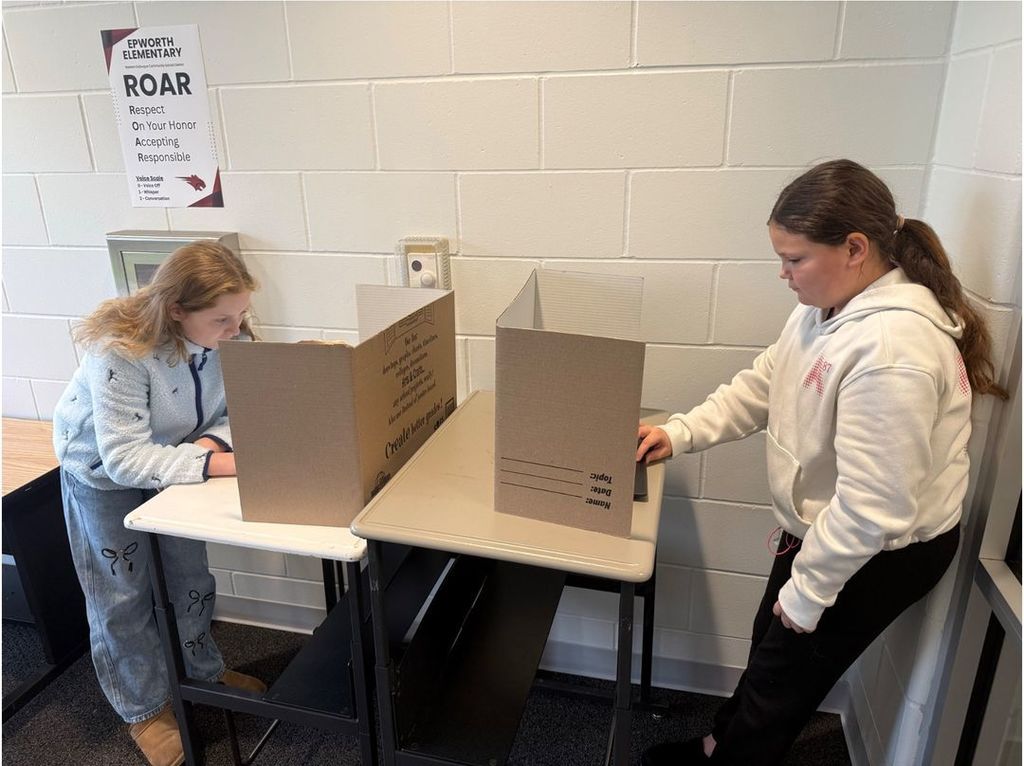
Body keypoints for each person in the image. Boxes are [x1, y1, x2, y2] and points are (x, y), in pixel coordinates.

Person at [635, 159, 1008, 766]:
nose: (783, 274)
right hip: (826, 528)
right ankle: (716, 745)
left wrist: (809, 591)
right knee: (768, 651)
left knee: (783, 682)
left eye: (795, 258)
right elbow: (764, 382)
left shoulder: (893, 352)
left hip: (879, 550)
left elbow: (875, 506)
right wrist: (679, 433)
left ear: (855, 248)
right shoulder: (825, 307)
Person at [53, 241, 264, 766]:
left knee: (189, 576)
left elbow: (246, 404)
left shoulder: (228, 336)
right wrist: (222, 463)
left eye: (241, 314)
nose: (236, 330)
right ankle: (143, 708)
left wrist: (210, 447)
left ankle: (202, 672)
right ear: (176, 310)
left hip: (177, 464)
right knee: (121, 594)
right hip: (103, 477)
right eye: (222, 319)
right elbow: (123, 458)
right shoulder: (118, 352)